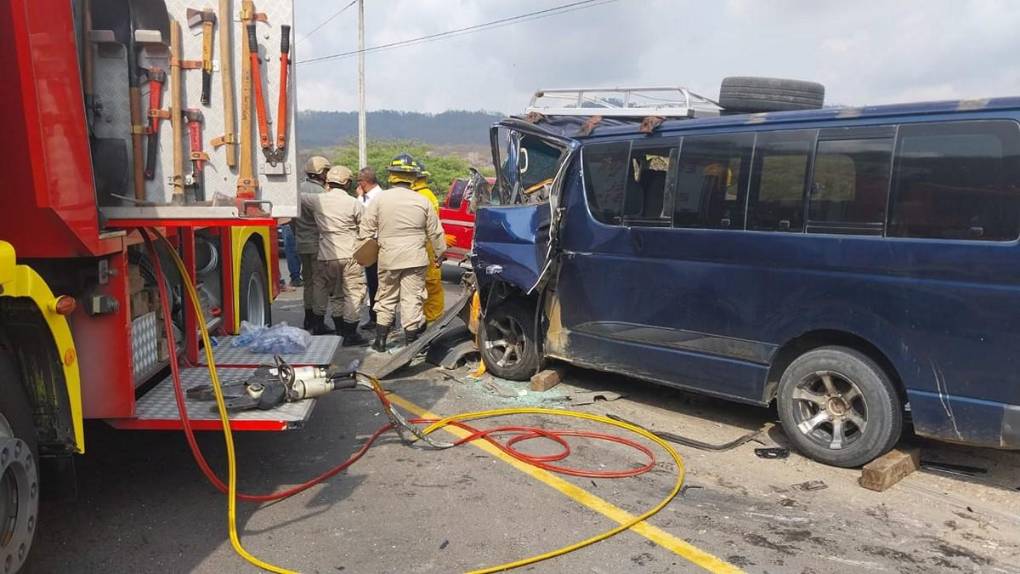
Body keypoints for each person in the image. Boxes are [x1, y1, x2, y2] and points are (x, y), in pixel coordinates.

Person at [360, 154, 446, 352]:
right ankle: (411, 344)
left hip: (388, 257)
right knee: (412, 299)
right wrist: (440, 254)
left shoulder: (380, 200)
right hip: (416, 258)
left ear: (391, 176)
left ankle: (380, 342)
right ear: (413, 177)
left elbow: (365, 230)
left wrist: (367, 251)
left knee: (386, 297)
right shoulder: (422, 200)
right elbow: (436, 232)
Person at [301, 165, 368, 345]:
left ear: (328, 182)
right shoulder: (355, 203)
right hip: (351, 254)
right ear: (347, 183)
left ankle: (334, 327)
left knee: (333, 291)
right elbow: (367, 227)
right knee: (353, 292)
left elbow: (295, 197)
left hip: (326, 255)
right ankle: (350, 333)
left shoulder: (316, 200)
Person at [296, 156, 331, 330]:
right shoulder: (321, 194)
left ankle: (307, 318)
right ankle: (318, 322)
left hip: (301, 242)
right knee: (320, 283)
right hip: (318, 243)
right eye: (326, 171)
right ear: (321, 172)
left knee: (308, 282)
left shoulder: (297, 190)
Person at [410, 164, 445, 323]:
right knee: (429, 287)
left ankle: (431, 323)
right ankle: (430, 320)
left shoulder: (420, 196)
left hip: (423, 247)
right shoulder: (427, 195)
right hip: (426, 247)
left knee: (428, 287)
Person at [357, 167, 383, 329]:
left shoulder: (377, 198)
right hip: (372, 244)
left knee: (377, 284)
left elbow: (363, 217)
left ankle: (378, 319)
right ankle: (377, 317)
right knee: (374, 283)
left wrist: (359, 198)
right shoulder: (370, 197)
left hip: (375, 244)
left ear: (364, 182)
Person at [279, 221, 302, 287]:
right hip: (292, 222)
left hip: (287, 222)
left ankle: (295, 278)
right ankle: (297, 278)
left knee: (291, 251)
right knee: (294, 251)